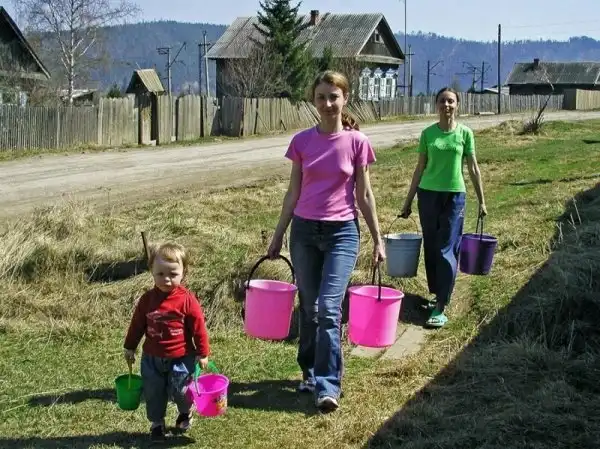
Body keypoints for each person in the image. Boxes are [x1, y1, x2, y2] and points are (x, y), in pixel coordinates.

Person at [267, 70, 385, 413]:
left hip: (342, 233)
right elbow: (292, 193)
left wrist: (378, 239)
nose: (328, 103)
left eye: (334, 97)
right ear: (313, 101)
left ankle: (327, 385)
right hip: (304, 232)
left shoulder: (358, 142)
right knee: (309, 307)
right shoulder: (302, 142)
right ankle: (308, 370)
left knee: (329, 309)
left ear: (345, 98)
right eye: (321, 97)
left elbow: (364, 195)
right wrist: (278, 235)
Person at [400, 87, 487, 328]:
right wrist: (408, 201)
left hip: (454, 196)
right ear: (436, 104)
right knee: (431, 246)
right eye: (442, 101)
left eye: (451, 101)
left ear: (457, 105)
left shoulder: (465, 133)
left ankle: (441, 304)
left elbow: (473, 168)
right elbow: (419, 168)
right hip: (427, 195)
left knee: (447, 247)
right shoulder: (427, 134)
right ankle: (436, 293)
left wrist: (482, 200)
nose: (446, 105)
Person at [123, 242, 210, 441]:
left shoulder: (187, 300)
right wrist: (130, 347)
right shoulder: (147, 300)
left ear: (183, 273)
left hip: (181, 357)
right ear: (152, 272)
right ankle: (157, 423)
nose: (166, 279)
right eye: (160, 274)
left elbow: (199, 328)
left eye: (173, 274)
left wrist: (202, 352)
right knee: (153, 391)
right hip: (152, 357)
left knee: (181, 390)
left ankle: (185, 412)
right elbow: (137, 325)